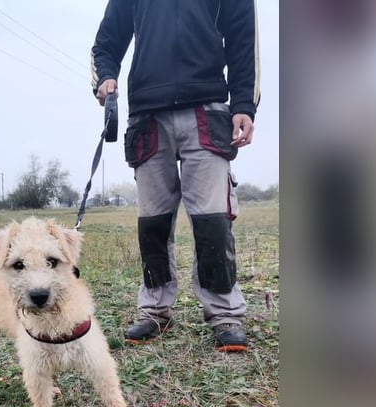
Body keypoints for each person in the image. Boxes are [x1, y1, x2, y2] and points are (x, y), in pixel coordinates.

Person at [90, 0, 260, 351]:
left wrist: (244, 105)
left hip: (208, 110)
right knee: (152, 222)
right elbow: (107, 39)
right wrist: (106, 75)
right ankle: (154, 311)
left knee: (213, 220)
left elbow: (244, 39)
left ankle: (225, 314)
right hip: (147, 115)